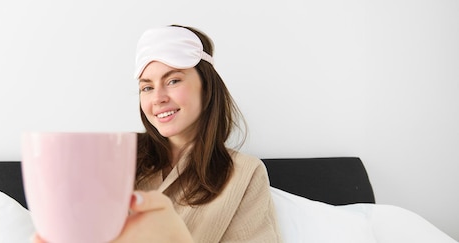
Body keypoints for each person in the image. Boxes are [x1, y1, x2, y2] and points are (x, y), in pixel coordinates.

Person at [35, 25, 281, 243]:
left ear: (207, 87)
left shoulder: (244, 175)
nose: (158, 98)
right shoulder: (116, 158)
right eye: (147, 87)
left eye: (173, 81)